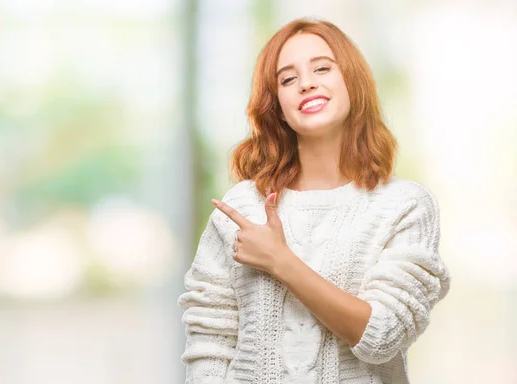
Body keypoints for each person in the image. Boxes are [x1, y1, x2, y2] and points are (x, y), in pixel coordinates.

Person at [177, 17, 450, 384]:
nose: (306, 83)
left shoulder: (405, 207)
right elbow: (210, 341)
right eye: (288, 79)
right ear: (276, 105)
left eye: (322, 68)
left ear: (352, 81)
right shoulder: (241, 207)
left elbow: (382, 337)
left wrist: (280, 260)